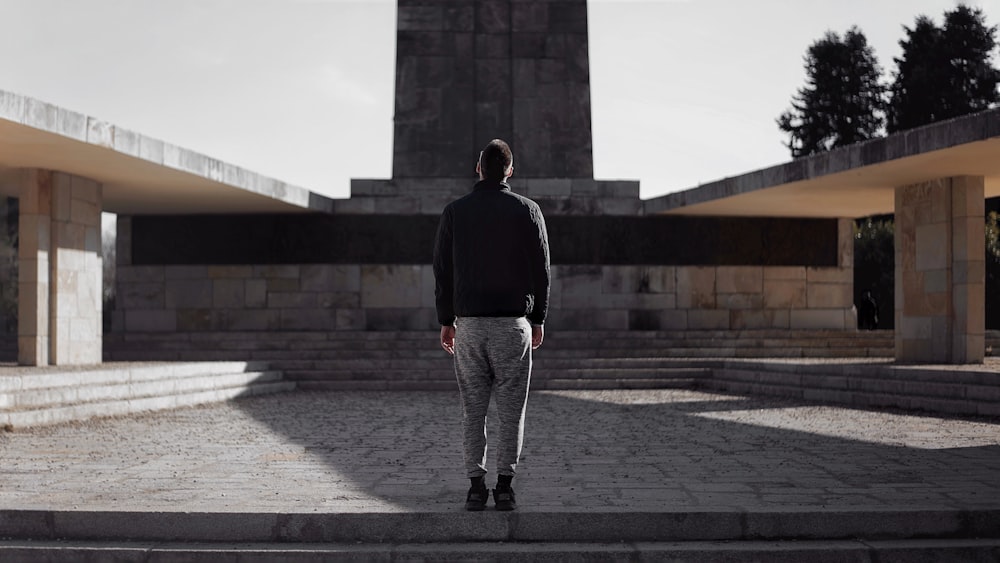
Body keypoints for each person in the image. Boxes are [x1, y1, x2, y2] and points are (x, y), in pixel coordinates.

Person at [432, 139, 550, 512]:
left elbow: (442, 270)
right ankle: (505, 487)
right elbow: (542, 271)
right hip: (512, 325)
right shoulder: (528, 211)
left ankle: (474, 487)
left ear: (478, 168)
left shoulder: (455, 212)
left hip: (469, 325)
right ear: (510, 171)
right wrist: (539, 319)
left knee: (473, 409)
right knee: (512, 410)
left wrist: (446, 319)